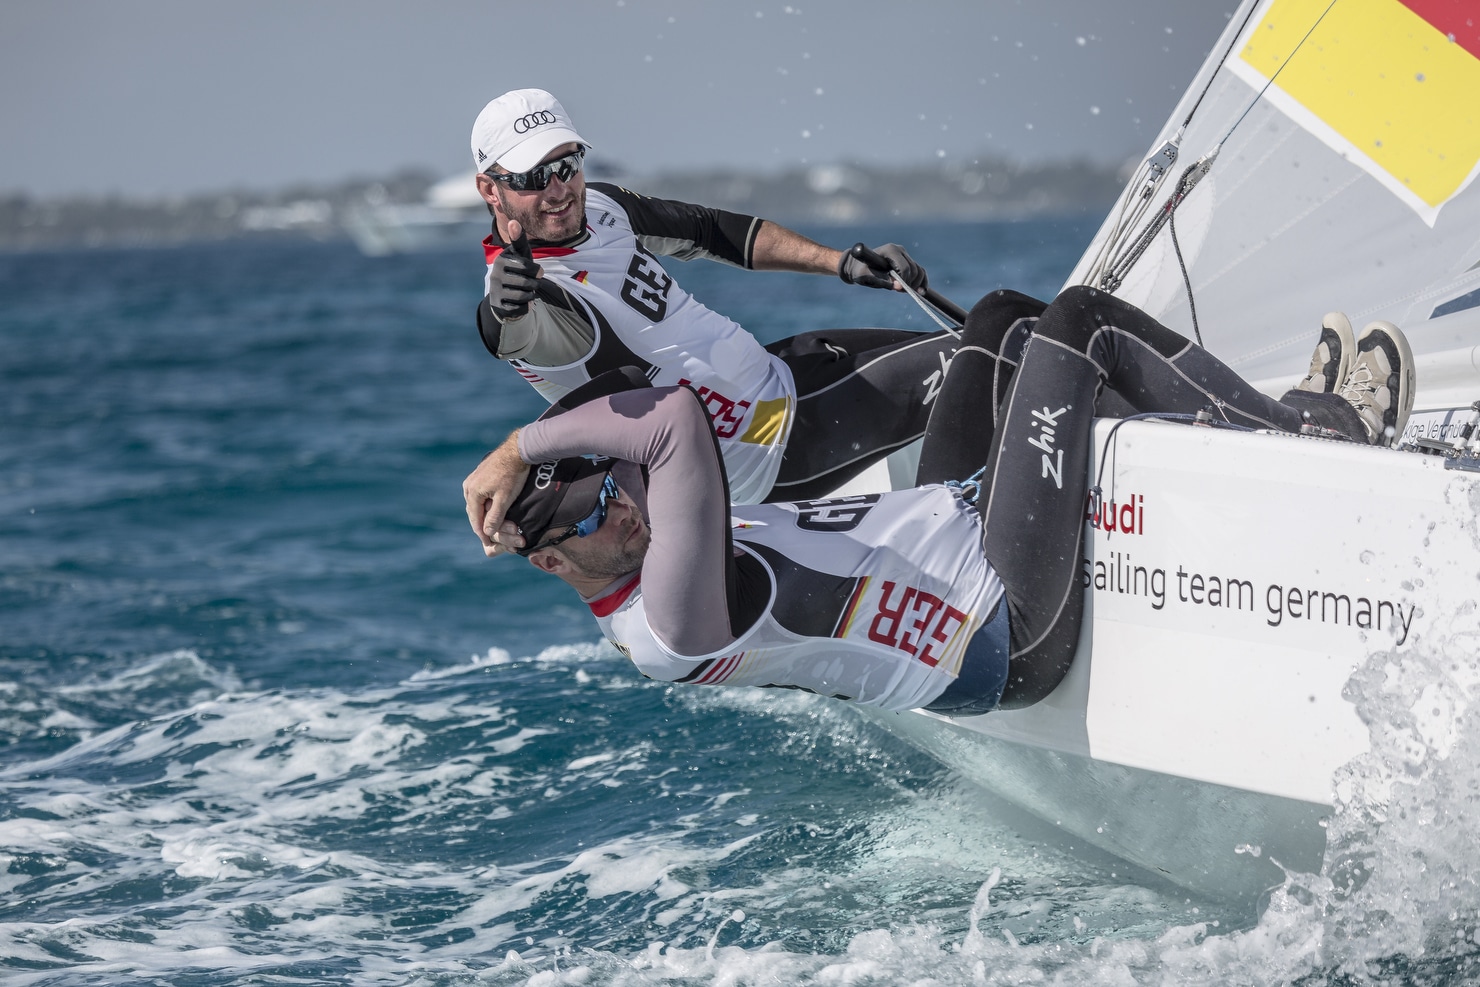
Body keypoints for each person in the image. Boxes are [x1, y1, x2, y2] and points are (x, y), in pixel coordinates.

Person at [461, 286, 1415, 714]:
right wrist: (516, 448)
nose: (625, 508)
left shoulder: (628, 540)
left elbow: (630, 401)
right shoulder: (667, 622)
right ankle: (1320, 433)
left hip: (955, 519)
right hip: (1000, 624)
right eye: (597, 514)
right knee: (1078, 325)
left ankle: (1229, 415)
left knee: (1000, 322)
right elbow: (669, 418)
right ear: (551, 560)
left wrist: (543, 394)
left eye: (612, 486)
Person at [471, 88, 963, 505]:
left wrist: (842, 263)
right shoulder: (534, 296)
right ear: (491, 190)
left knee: (973, 337)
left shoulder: (602, 205)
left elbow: (712, 230)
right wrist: (505, 304)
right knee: (988, 356)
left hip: (780, 376)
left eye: (568, 164)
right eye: (535, 177)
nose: (559, 189)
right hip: (767, 455)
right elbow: (508, 331)